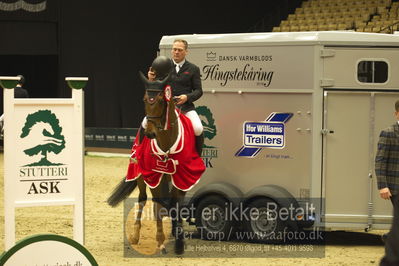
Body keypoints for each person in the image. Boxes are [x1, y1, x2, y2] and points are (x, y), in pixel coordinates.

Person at [146, 39, 204, 156]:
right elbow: (155, 87)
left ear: (186, 52)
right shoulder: (163, 66)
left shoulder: (193, 69)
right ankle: (137, 155)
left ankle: (197, 158)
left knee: (198, 128)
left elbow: (199, 91)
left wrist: (187, 97)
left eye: (180, 50)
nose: (176, 52)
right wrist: (151, 80)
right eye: (174, 49)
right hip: (164, 107)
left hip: (185, 107)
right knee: (144, 124)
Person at [375, 100, 399, 266]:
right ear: (396, 113)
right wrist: (383, 185)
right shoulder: (388, 133)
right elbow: (380, 161)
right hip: (396, 187)